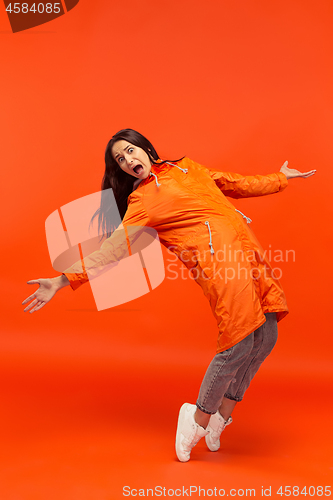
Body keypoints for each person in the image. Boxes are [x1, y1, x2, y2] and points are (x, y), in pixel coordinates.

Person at [22, 129, 316, 462]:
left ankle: (222, 415)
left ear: (146, 149)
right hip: (217, 263)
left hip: (249, 253)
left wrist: (281, 178)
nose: (129, 160)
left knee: (268, 333)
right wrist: (63, 280)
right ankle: (197, 419)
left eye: (131, 151)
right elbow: (112, 249)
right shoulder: (142, 201)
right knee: (240, 339)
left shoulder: (186, 167)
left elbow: (234, 182)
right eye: (121, 159)